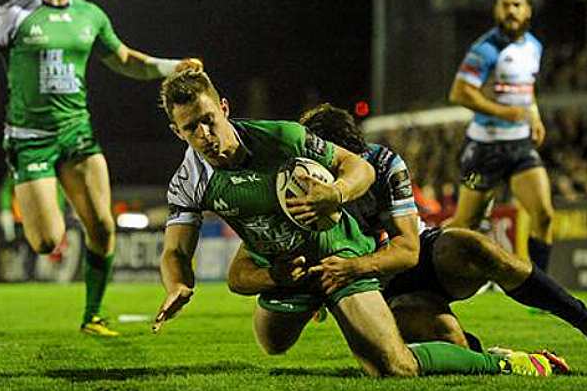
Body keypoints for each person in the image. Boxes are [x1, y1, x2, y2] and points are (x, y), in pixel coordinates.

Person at [153, 68, 563, 378]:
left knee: (394, 366)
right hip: (290, 271)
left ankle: (502, 363)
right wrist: (177, 284)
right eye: (192, 127)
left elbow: (359, 167)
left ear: (223, 108)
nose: (205, 133)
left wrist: (337, 193)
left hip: (340, 256)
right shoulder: (189, 182)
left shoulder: (282, 138)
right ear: (178, 132)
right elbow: (175, 250)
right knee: (272, 344)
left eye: (209, 118)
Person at [228, 103, 587, 352]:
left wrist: (353, 267)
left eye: (352, 157)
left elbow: (409, 251)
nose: (349, 169)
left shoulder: (382, 163)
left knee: (471, 244)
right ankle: (484, 356)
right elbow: (241, 269)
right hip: (377, 292)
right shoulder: (291, 184)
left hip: (391, 263)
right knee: (446, 337)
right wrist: (290, 278)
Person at [0, 0, 201, 336]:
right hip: (30, 139)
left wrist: (171, 67)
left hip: (78, 135)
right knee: (47, 242)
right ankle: (44, 208)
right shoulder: (12, 15)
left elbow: (125, 59)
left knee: (103, 227)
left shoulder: (90, 15)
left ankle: (92, 316)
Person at [446, 0, 554, 272]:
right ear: (496, 10)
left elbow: (526, 89)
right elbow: (459, 93)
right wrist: (504, 113)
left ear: (527, 10)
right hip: (485, 146)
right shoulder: (485, 50)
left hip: (520, 145)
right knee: (463, 226)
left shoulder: (534, 46)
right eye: (505, 6)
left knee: (543, 215)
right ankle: (424, 268)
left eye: (517, 5)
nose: (511, 11)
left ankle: (540, 288)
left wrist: (535, 116)